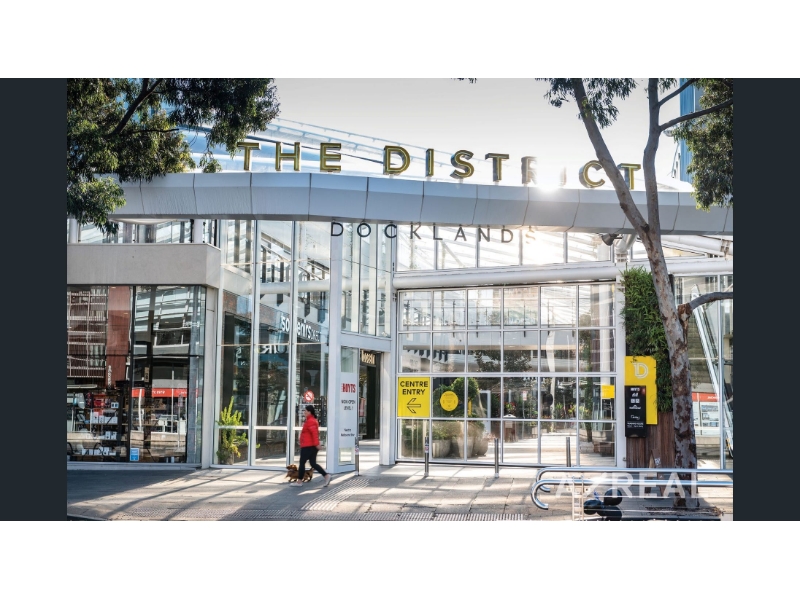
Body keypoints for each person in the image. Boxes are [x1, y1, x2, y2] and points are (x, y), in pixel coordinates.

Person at [290, 405, 331, 487]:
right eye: (304, 410)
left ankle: (299, 482)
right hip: (310, 446)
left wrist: (317, 444)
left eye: (306, 411)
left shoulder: (311, 421)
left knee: (302, 463)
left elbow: (314, 434)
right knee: (313, 463)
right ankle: (326, 476)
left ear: (310, 412)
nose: (304, 412)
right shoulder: (310, 420)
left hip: (308, 446)